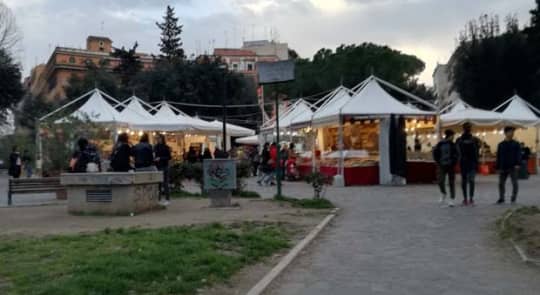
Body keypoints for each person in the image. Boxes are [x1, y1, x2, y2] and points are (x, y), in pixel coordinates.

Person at [496, 126, 522, 204]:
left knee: (515, 183)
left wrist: (518, 163)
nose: (512, 133)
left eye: (513, 132)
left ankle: (513, 197)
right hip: (503, 166)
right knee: (501, 183)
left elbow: (518, 154)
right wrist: (498, 167)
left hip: (513, 166)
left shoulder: (516, 144)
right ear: (506, 133)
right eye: (510, 132)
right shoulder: (501, 144)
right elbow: (499, 156)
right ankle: (501, 198)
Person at [456, 122, 480, 206]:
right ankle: (468, 198)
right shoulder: (474, 139)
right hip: (468, 162)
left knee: (467, 181)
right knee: (469, 181)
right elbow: (477, 153)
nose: (468, 129)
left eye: (468, 127)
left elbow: (476, 153)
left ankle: (468, 198)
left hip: (467, 162)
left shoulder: (460, 140)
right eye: (467, 127)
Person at [433, 130, 458, 207]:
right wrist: (437, 161)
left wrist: (454, 161)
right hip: (441, 165)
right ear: (449, 136)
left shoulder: (453, 145)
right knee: (440, 181)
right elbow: (435, 152)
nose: (453, 137)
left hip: (450, 165)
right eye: (452, 136)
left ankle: (452, 199)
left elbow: (457, 154)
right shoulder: (440, 144)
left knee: (451, 183)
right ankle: (443, 193)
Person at [154, 134, 172, 205]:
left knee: (165, 183)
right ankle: (158, 199)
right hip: (157, 167)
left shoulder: (166, 147)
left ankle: (167, 199)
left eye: (158, 138)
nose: (157, 139)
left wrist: (160, 158)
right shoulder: (155, 147)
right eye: (157, 138)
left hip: (164, 166)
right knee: (158, 184)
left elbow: (169, 157)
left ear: (162, 139)